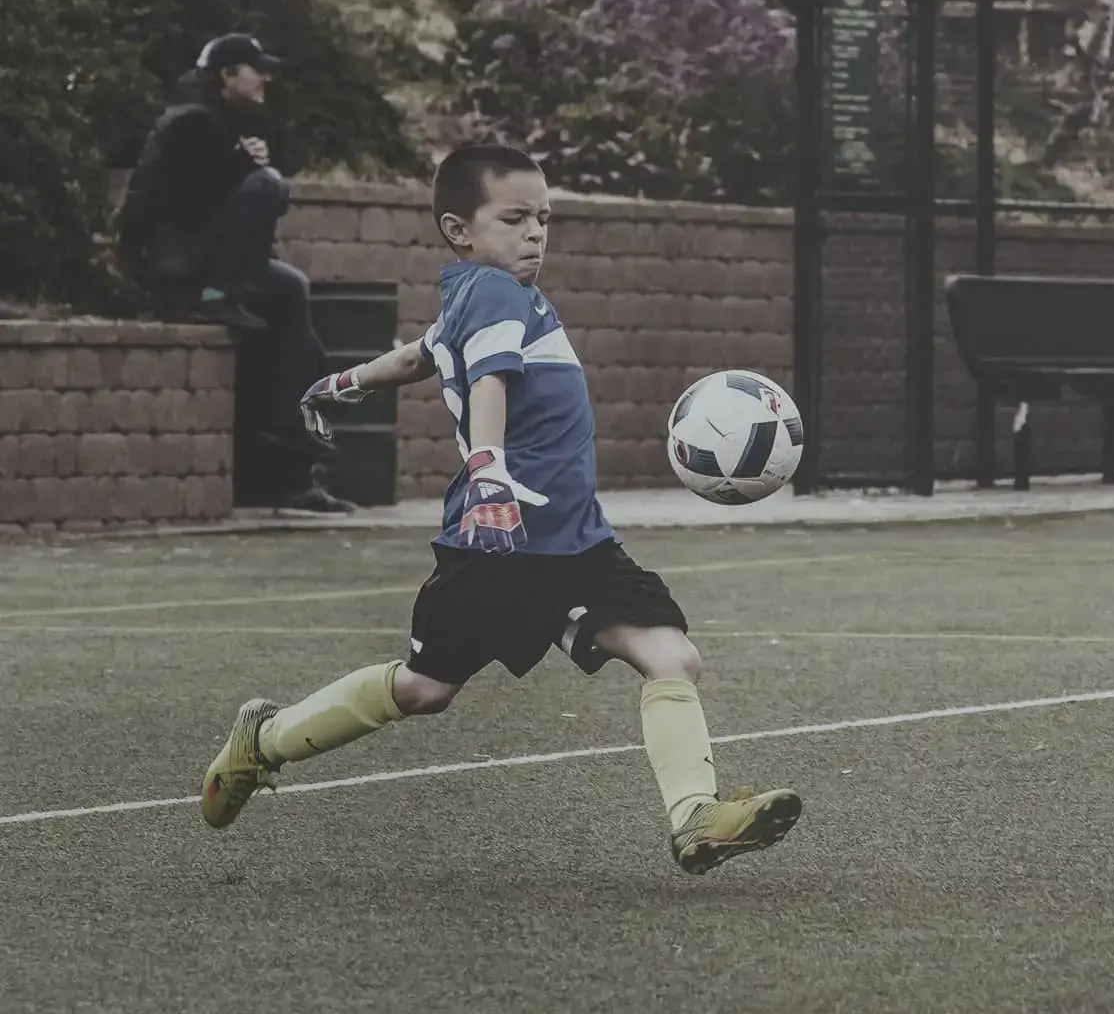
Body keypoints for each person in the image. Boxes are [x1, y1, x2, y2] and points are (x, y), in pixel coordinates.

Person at [198, 143, 802, 875]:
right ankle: (262, 741)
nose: (535, 233)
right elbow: (488, 382)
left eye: (544, 218)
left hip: (577, 545)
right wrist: (486, 473)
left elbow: (419, 356)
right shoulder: (494, 294)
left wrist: (343, 382)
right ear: (460, 230)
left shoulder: (475, 298)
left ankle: (695, 817)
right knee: (425, 689)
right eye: (514, 218)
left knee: (671, 656)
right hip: (500, 542)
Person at [117, 32, 353, 513]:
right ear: (227, 75)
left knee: (292, 290)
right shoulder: (190, 123)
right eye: (255, 68)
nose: (265, 77)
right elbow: (180, 208)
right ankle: (213, 297)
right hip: (177, 268)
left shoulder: (224, 124)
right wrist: (243, 168)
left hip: (203, 261)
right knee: (267, 183)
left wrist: (242, 169)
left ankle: (296, 466)